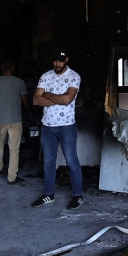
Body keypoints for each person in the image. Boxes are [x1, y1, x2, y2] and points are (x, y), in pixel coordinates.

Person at [31, 49, 83, 209]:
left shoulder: (74, 76)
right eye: (55, 61)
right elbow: (35, 100)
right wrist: (59, 99)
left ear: (66, 59)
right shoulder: (45, 76)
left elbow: (68, 99)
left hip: (66, 126)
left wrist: (47, 94)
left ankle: (78, 196)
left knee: (71, 161)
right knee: (48, 162)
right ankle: (48, 195)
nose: (57, 64)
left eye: (61, 61)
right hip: (47, 127)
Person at [0, 58, 29, 184]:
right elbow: (26, 101)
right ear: (13, 67)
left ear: (1, 68)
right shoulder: (19, 82)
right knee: (14, 149)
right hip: (15, 120)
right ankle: (12, 177)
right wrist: (30, 112)